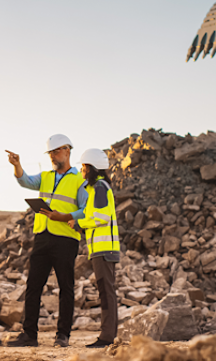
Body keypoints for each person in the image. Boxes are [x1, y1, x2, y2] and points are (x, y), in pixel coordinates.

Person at [5, 134, 87, 348]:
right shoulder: (46, 176)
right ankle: (29, 335)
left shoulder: (80, 180)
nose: (52, 156)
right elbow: (25, 181)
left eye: (56, 151)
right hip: (42, 237)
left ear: (67, 151)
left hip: (66, 240)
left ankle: (63, 336)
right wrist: (17, 165)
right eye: (50, 152)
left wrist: (67, 217)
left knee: (65, 288)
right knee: (33, 286)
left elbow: (85, 210)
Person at [67, 148, 120, 348]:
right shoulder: (97, 188)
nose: (81, 171)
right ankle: (108, 335)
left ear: (91, 168)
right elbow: (96, 218)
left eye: (83, 167)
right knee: (106, 291)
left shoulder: (99, 187)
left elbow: (101, 218)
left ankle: (106, 337)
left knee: (106, 292)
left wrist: (80, 224)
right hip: (101, 249)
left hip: (104, 249)